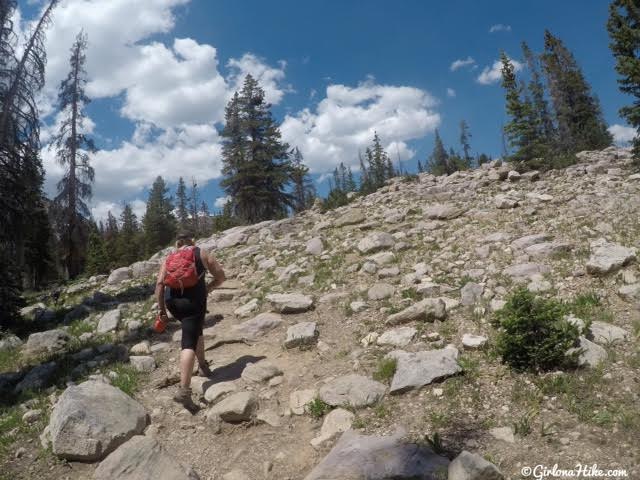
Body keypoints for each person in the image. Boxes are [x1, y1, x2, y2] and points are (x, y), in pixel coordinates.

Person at [155, 231, 226, 412]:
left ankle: (203, 366)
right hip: (193, 303)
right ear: (191, 241)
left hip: (173, 304)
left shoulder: (169, 257)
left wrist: (162, 310)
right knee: (188, 341)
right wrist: (208, 287)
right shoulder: (201, 252)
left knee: (195, 331)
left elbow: (159, 285)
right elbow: (221, 276)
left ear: (177, 243)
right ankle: (184, 391)